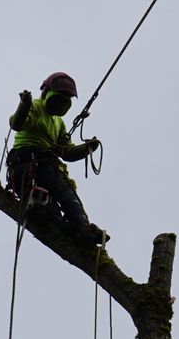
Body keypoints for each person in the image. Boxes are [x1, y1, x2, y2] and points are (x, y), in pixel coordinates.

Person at [7, 71, 106, 245]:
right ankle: (68, 226)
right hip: (28, 164)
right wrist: (24, 105)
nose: (60, 104)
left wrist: (87, 148)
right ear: (47, 94)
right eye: (58, 98)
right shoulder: (36, 107)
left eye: (64, 101)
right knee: (49, 202)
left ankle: (81, 227)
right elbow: (17, 123)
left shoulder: (59, 123)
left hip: (47, 167)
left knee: (66, 194)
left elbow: (66, 152)